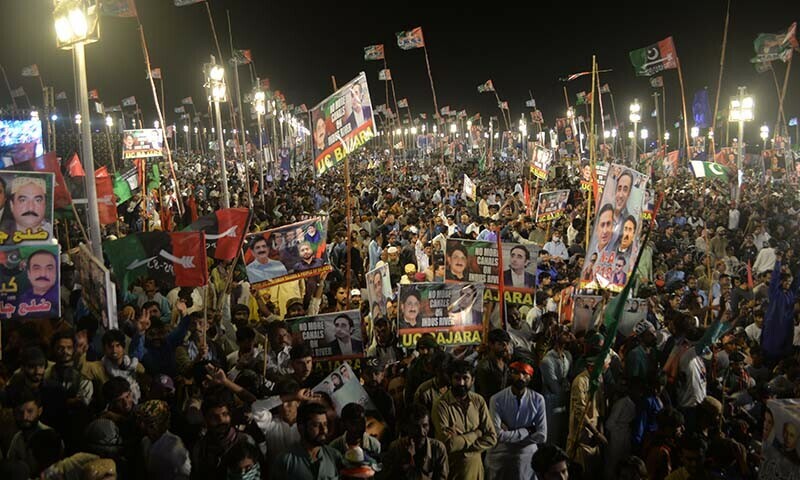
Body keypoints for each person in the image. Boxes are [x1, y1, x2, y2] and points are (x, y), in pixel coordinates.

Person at [431, 360, 497, 479]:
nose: (461, 383)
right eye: (457, 378)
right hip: (452, 472)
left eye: (465, 378)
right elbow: (449, 445)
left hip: (476, 472)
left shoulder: (478, 401)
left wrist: (461, 443)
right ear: (450, 379)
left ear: (473, 380)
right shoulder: (441, 405)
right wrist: (477, 433)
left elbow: (491, 437)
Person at [485, 361, 547, 480]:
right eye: (516, 372)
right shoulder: (497, 399)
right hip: (501, 456)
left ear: (530, 376)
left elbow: (542, 436)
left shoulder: (538, 400)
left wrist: (509, 436)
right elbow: (497, 435)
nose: (520, 377)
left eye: (524, 373)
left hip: (527, 456)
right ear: (510, 373)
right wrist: (527, 430)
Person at [270, 402, 344, 479]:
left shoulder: (334, 456)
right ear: (301, 428)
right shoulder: (285, 461)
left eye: (325, 424)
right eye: (316, 425)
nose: (324, 430)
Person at [382, 403, 449, 480]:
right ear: (407, 427)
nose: (421, 432)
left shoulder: (438, 448)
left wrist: (411, 469)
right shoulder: (395, 448)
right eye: (416, 427)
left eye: (425, 426)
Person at [2, 175, 52, 241]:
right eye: (23, 200)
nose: (30, 207)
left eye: (38, 200)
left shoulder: (52, 233)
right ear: (12, 205)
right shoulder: (3, 235)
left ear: (45, 205)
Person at [16, 249, 59, 316]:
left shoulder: (58, 300)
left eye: (49, 268)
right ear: (28, 274)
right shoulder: (20, 301)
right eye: (36, 268)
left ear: (56, 273)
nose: (43, 274)